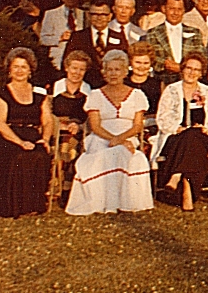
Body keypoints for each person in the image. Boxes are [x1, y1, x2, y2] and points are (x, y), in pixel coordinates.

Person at [65, 50, 154, 215]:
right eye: (110, 70)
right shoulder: (96, 95)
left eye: (117, 69)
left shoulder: (137, 95)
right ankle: (106, 203)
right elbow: (95, 126)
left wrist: (121, 139)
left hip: (128, 136)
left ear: (125, 72)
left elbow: (137, 126)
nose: (113, 74)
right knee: (113, 152)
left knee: (124, 152)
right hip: (100, 137)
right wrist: (115, 139)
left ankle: (121, 202)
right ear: (104, 73)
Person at [0, 48, 53, 219]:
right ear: (9, 69)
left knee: (39, 155)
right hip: (8, 137)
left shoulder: (39, 95)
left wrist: (45, 139)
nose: (19, 71)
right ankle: (11, 207)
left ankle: (32, 205)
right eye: (16, 67)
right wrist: (20, 142)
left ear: (30, 70)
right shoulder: (1, 95)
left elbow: (47, 121)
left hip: (32, 135)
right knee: (18, 156)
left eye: (23, 67)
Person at [153, 53, 208, 211]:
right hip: (175, 138)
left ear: (201, 73)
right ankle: (187, 193)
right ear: (182, 69)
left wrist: (206, 128)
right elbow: (162, 117)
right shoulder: (171, 90)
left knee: (194, 135)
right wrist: (176, 128)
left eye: (196, 70)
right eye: (189, 68)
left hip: (201, 138)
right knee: (190, 136)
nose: (192, 72)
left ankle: (176, 176)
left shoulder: (206, 91)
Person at [50, 50, 91, 203]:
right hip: (54, 129)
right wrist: (59, 125)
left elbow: (90, 117)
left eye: (81, 69)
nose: (77, 73)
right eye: (74, 68)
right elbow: (47, 112)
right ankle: (55, 187)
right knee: (59, 146)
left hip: (79, 131)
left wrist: (79, 126)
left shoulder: (88, 92)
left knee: (70, 147)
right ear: (66, 67)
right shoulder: (54, 88)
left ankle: (66, 189)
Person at [145, 0, 204, 85]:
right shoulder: (153, 33)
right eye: (172, 9)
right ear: (164, 9)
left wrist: (181, 68)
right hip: (162, 81)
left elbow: (200, 56)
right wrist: (165, 64)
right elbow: (151, 57)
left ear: (184, 11)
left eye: (179, 9)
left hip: (189, 81)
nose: (175, 13)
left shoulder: (195, 33)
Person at [62, 1, 116, 88]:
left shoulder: (119, 37)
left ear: (110, 16)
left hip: (111, 86)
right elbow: (66, 63)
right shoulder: (77, 37)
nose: (99, 18)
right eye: (95, 14)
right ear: (88, 15)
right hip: (85, 86)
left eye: (103, 14)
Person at [40, 0, 85, 69]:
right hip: (58, 57)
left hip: (78, 56)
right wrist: (60, 38)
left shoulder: (84, 14)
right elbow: (43, 39)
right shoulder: (51, 14)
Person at [125, 42, 162, 116]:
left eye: (146, 63)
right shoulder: (123, 83)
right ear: (131, 62)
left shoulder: (158, 84)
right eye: (138, 62)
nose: (142, 67)